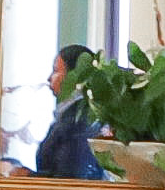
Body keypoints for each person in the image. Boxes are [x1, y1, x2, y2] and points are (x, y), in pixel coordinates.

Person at [30, 43, 108, 180]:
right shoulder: (73, 115)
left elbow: (70, 178)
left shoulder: (78, 120)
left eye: (55, 70)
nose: (49, 78)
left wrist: (26, 176)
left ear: (74, 77)